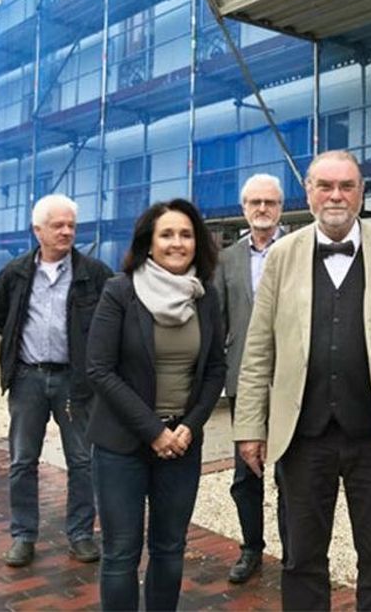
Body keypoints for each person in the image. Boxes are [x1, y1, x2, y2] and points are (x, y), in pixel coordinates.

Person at [234, 150, 371, 611]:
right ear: (308, 193)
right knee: (302, 560)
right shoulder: (283, 255)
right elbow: (258, 349)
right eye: (325, 185)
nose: (336, 195)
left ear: (361, 192)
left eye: (346, 186)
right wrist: (250, 425)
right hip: (303, 436)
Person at [85, 199, 226, 611]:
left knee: (169, 548)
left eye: (186, 234)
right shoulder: (121, 291)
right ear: (149, 243)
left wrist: (190, 426)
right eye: (167, 234)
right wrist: (154, 431)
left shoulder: (205, 296)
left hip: (181, 445)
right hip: (121, 445)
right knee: (121, 552)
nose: (177, 242)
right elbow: (99, 370)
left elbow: (215, 369)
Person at [0, 194, 112, 567]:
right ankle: (23, 535)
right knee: (23, 460)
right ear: (37, 230)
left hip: (75, 382)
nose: (66, 231)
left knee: (82, 460)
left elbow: (109, 325)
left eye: (71, 225)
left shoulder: (94, 273)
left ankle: (79, 534)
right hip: (28, 378)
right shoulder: (15, 273)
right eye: (58, 225)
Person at [213, 173, 288, 583]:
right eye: (255, 202)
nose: (262, 209)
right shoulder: (227, 260)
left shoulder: (299, 250)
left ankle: (295, 553)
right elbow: (219, 321)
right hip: (245, 379)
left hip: (296, 379)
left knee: (292, 472)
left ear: (281, 207)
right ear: (243, 208)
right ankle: (251, 548)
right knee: (247, 472)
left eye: (270, 203)